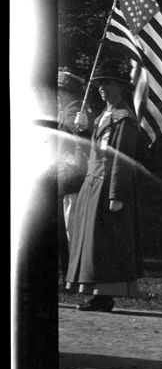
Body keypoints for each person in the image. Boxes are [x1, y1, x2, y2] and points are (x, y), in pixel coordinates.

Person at [65, 57, 144, 312]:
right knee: (90, 242)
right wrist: (82, 132)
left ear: (121, 88)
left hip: (107, 186)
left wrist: (116, 194)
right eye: (100, 84)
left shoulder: (124, 119)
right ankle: (94, 293)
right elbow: (94, 152)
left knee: (104, 244)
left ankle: (105, 296)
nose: (102, 88)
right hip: (92, 183)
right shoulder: (102, 116)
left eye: (108, 83)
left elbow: (122, 159)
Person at [55, 68, 87, 280]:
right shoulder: (66, 111)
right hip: (65, 177)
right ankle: (68, 273)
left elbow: (81, 146)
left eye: (61, 90)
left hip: (72, 178)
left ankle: (72, 275)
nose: (58, 94)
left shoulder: (74, 111)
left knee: (71, 229)